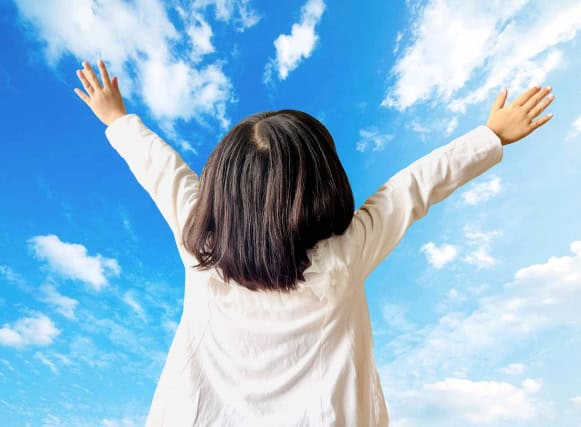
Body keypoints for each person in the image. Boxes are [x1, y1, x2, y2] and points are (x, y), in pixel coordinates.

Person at [74, 59, 554, 426]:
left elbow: (161, 170)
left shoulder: (201, 248)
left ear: (221, 190)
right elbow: (413, 187)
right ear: (325, 185)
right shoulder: (344, 257)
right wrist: (491, 135)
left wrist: (116, 118)